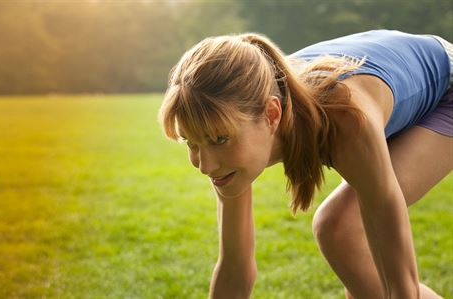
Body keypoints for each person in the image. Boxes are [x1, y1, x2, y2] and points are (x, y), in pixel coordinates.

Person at [158, 29, 452, 299]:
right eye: (191, 143)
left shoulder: (346, 117)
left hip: (445, 87)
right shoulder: (232, 141)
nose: (205, 165)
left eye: (219, 140)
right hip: (393, 99)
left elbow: (401, 286)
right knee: (354, 261)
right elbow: (236, 271)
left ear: (272, 115)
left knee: (341, 227)